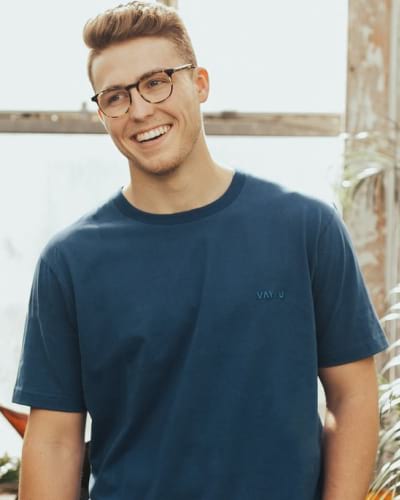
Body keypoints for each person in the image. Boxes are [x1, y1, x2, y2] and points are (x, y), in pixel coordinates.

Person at [12, 2, 389, 499]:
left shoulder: (305, 228)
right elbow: (56, 441)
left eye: (156, 82)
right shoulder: (70, 262)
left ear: (200, 83)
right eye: (116, 97)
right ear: (103, 114)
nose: (140, 110)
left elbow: (353, 396)